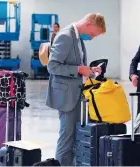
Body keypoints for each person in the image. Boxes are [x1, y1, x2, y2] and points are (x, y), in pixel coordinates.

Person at [46, 13, 106, 166]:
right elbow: (52, 66)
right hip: (67, 97)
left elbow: (74, 63)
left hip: (77, 95)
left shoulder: (77, 38)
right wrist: (79, 69)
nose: (92, 38)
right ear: (88, 24)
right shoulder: (65, 36)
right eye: (92, 34)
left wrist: (89, 70)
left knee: (74, 139)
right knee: (67, 139)